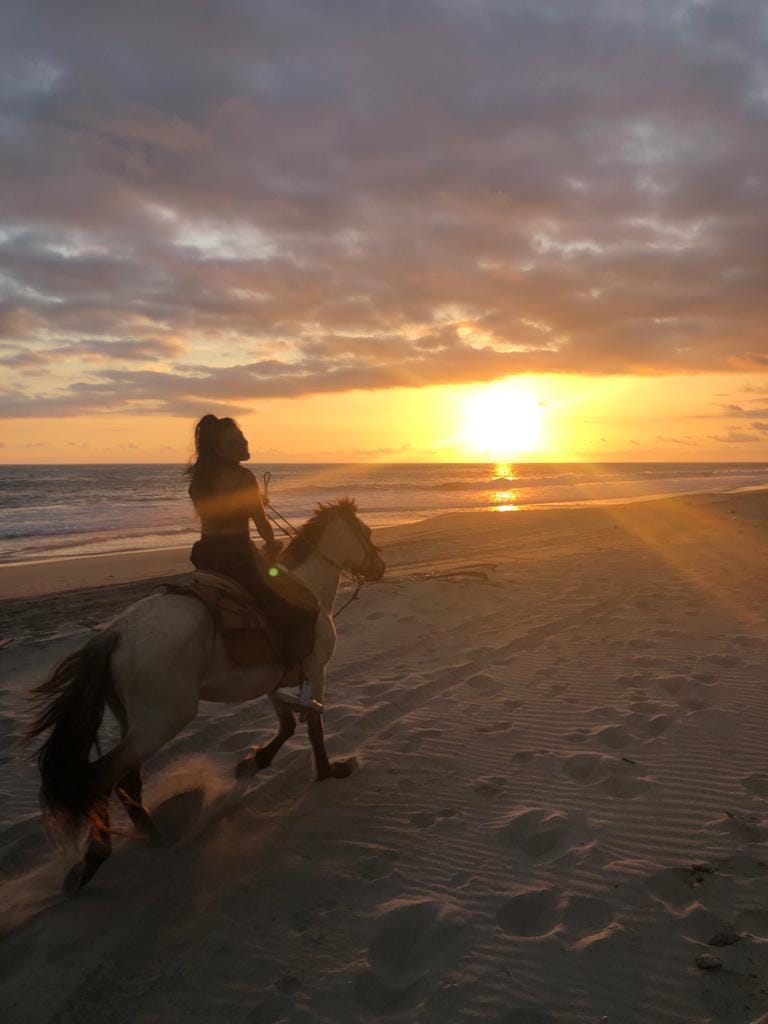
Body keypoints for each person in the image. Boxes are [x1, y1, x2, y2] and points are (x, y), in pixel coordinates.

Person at [186, 414, 319, 694]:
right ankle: (289, 674)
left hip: (206, 555)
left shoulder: (200, 478)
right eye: (234, 442)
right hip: (238, 558)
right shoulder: (244, 476)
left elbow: (220, 510)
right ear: (219, 450)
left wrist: (253, 501)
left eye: (242, 438)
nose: (243, 443)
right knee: (301, 606)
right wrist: (272, 544)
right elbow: (261, 523)